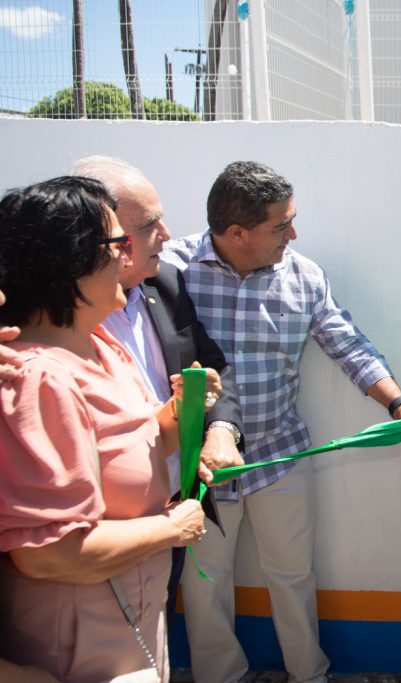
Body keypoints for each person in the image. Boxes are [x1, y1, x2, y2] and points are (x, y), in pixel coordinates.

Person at [166, 161, 401, 683]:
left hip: (280, 455)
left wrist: (400, 406)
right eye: (280, 225)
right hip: (200, 465)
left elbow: (349, 345)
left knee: (292, 576)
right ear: (235, 232)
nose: (294, 233)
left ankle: (308, 675)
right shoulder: (171, 272)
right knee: (205, 584)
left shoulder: (305, 274)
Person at [0, 177, 216, 682]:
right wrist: (172, 528)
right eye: (119, 242)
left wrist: (177, 414)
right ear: (69, 261)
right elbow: (51, 556)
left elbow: (122, 449)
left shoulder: (101, 346)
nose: (131, 255)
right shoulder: (40, 378)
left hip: (132, 616)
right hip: (77, 635)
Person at [71, 156, 245, 620]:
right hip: (95, 535)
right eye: (150, 224)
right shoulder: (42, 334)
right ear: (101, 232)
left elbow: (211, 366)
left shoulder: (163, 283)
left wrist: (221, 428)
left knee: (153, 635)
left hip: (171, 512)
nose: (167, 235)